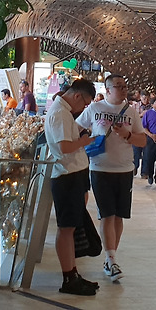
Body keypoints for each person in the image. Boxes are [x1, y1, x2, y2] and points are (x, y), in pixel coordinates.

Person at [75, 74, 146, 283]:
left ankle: (111, 257)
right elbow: (75, 128)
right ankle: (111, 259)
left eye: (125, 86)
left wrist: (127, 135)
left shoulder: (131, 112)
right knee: (107, 214)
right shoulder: (95, 109)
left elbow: (142, 141)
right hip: (100, 169)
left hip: (124, 170)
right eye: (118, 86)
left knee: (118, 216)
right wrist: (82, 143)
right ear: (107, 90)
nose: (123, 90)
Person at [44, 79, 99, 296]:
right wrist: (84, 142)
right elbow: (64, 147)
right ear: (77, 96)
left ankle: (73, 273)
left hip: (74, 175)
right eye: (84, 103)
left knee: (72, 227)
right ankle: (68, 278)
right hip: (66, 176)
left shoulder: (65, 112)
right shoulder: (59, 113)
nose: (83, 108)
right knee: (66, 228)